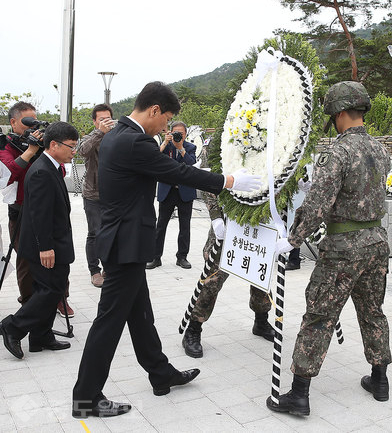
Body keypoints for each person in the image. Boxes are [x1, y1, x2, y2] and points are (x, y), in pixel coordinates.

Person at [72, 81, 262, 419]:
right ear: (155, 110)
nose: (166, 128)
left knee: (140, 315)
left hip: (121, 241)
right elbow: (179, 172)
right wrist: (229, 181)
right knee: (108, 322)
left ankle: (161, 374)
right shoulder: (135, 141)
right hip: (126, 244)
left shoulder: (116, 135)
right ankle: (85, 397)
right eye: (167, 118)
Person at [266, 81, 392, 417]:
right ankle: (380, 380)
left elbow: (316, 207)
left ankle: (299, 394)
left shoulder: (337, 153)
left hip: (343, 248)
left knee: (319, 315)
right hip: (377, 244)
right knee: (373, 312)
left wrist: (290, 241)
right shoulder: (381, 150)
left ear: (339, 113)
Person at [0, 122, 79, 359]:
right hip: (45, 246)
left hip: (52, 242)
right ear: (54, 145)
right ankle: (13, 327)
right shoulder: (43, 170)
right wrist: (46, 247)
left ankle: (40, 336)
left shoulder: (50, 166)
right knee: (49, 291)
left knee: (48, 290)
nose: (74, 151)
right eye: (71, 146)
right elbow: (39, 215)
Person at [181, 191, 275, 358]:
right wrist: (216, 216)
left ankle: (261, 321)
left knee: (260, 276)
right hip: (228, 222)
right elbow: (208, 181)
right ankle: (193, 329)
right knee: (212, 281)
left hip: (259, 223)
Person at [0, 102, 41, 306]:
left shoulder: (40, 143)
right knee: (26, 259)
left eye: (35, 121)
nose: (32, 127)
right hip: (20, 211)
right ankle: (28, 301)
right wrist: (30, 151)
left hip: (44, 209)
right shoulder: (4, 144)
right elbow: (8, 174)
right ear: (14, 122)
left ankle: (59, 298)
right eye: (28, 122)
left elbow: (59, 171)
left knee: (56, 255)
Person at [146, 121, 197, 270]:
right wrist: (165, 142)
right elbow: (154, 159)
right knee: (160, 226)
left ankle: (182, 257)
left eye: (180, 133)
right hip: (167, 191)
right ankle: (155, 257)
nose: (177, 136)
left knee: (185, 227)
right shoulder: (165, 146)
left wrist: (181, 149)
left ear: (185, 134)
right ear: (169, 133)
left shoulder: (190, 147)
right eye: (175, 133)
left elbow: (191, 164)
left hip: (185, 192)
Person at [77, 104, 115, 288]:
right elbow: (82, 150)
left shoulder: (116, 137)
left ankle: (109, 267)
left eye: (108, 118)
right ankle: (94, 270)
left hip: (113, 195)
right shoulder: (90, 137)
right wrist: (99, 132)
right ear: (94, 121)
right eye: (101, 119)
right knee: (94, 233)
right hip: (92, 193)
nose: (105, 122)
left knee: (112, 232)